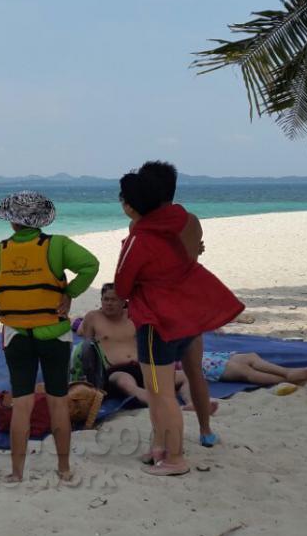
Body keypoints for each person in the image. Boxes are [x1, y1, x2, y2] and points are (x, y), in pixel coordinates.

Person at [114, 172, 244, 476]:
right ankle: (161, 446)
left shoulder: (140, 237)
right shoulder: (186, 221)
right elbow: (193, 253)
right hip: (188, 315)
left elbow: (121, 286)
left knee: (160, 392)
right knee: (186, 376)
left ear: (132, 205)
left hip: (157, 322)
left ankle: (174, 458)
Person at [0, 191, 99, 482]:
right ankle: (64, 469)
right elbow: (90, 265)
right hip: (54, 335)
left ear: (12, 222)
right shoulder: (58, 245)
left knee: (22, 403)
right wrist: (70, 292)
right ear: (41, 220)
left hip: (16, 336)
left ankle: (17, 473)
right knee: (58, 401)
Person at [137, 161, 217, 447]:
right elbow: (193, 253)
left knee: (160, 383)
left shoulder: (143, 224)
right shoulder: (192, 221)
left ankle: (165, 442)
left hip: (161, 310)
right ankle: (206, 430)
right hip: (190, 307)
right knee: (194, 370)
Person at [78, 284, 212, 412]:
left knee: (184, 376)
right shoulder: (93, 317)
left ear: (123, 301)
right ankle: (159, 405)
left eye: (113, 300)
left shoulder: (133, 315)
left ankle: (192, 403)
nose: (109, 303)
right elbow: (87, 346)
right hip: (116, 371)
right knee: (126, 383)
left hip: (142, 366)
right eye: (105, 299)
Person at [200, 351, 307, 385]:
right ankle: (288, 380)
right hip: (192, 362)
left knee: (251, 357)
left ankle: (288, 372)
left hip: (204, 355)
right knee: (243, 370)